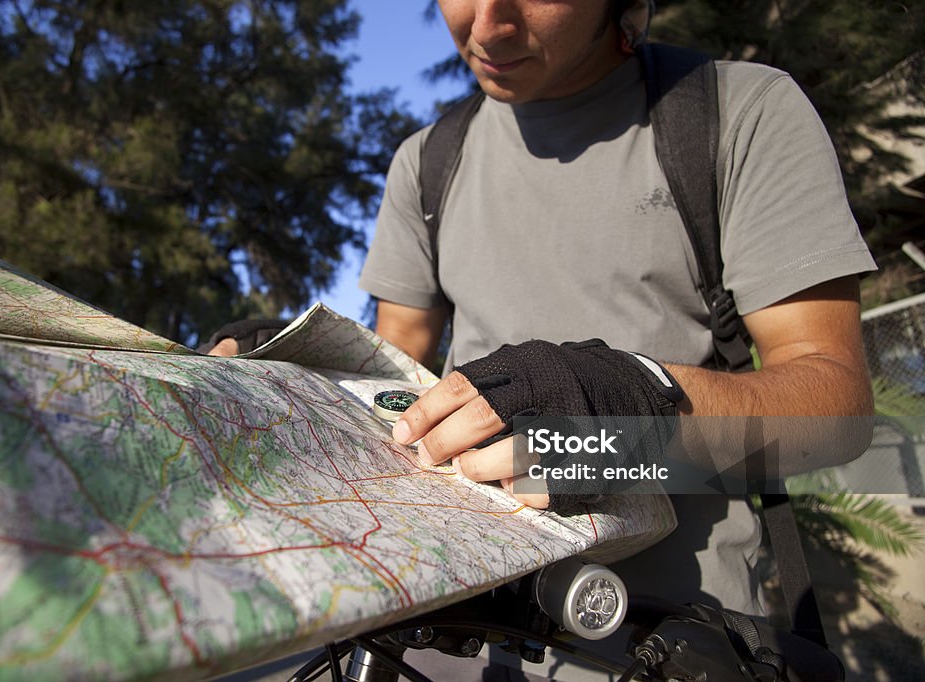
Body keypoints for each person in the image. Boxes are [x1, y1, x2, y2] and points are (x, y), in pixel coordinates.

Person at [208, 1, 876, 678]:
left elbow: (838, 410)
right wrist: (303, 366)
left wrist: (617, 418)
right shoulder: (426, 162)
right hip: (445, 640)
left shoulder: (738, 112)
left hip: (665, 642)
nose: (488, 27)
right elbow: (397, 370)